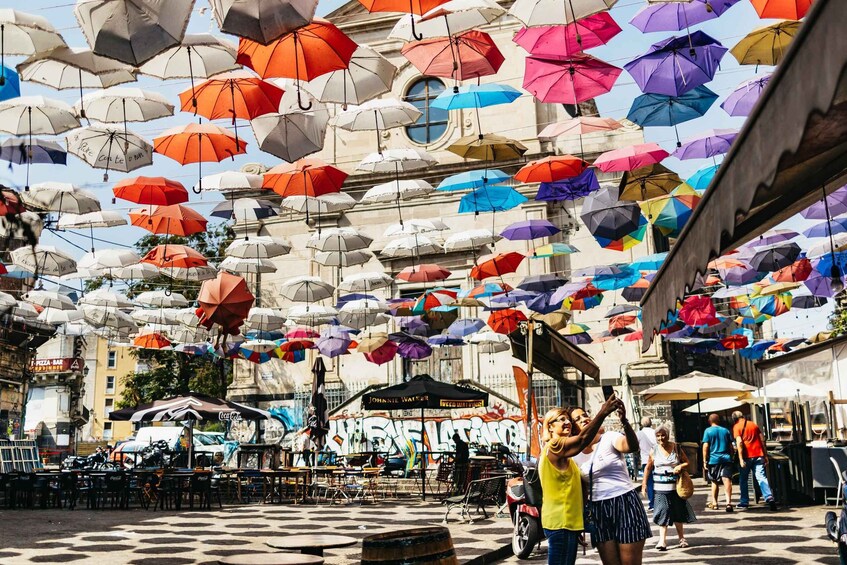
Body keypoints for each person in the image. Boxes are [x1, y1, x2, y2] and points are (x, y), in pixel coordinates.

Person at [540, 396, 623, 565]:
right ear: (550, 426)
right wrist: (603, 412)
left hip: (567, 523)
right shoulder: (555, 445)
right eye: (560, 419)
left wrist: (578, 524)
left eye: (568, 419)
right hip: (560, 522)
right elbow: (581, 440)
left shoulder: (567, 456)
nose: (567, 422)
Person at [569, 404, 652, 565]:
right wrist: (579, 522)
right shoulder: (574, 455)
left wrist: (625, 423)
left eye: (585, 414)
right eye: (577, 419)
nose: (584, 419)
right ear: (573, 429)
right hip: (598, 510)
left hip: (625, 503)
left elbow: (631, 446)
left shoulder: (609, 437)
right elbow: (582, 491)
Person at [643, 426, 696, 551]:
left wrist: (680, 466)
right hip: (660, 488)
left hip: (676, 487)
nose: (661, 438)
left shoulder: (676, 447)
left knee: (678, 512)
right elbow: (648, 467)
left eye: (663, 435)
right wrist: (644, 483)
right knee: (663, 511)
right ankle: (662, 541)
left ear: (668, 435)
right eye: (658, 436)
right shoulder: (654, 450)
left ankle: (682, 538)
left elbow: (687, 462)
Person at [731, 411, 777, 511]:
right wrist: (765, 455)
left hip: (746, 456)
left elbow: (739, 443)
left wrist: (740, 458)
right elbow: (762, 439)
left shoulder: (736, 427)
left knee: (743, 479)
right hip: (758, 454)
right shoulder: (753, 424)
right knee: (761, 477)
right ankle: (769, 497)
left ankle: (744, 502)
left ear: (734, 419)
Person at [701, 413, 735, 512]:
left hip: (713, 460)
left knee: (714, 481)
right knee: (727, 480)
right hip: (726, 458)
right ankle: (728, 503)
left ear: (709, 421)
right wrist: (731, 456)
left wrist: (704, 460)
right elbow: (731, 446)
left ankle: (715, 502)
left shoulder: (707, 431)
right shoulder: (725, 431)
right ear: (719, 420)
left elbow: (705, 446)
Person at [636, 417, 657, 511]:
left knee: (649, 483)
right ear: (651, 423)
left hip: (645, 460)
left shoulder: (639, 434)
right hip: (656, 459)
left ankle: (652, 503)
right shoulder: (655, 432)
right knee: (658, 481)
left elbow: (635, 446)